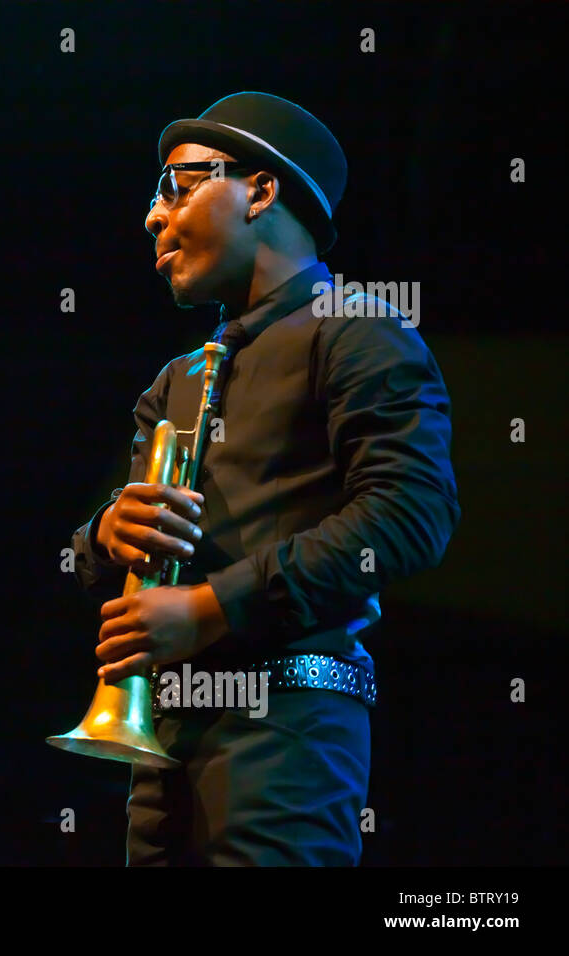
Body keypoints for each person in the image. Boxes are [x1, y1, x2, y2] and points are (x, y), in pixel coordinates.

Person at [68, 92, 460, 865]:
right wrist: (106, 536)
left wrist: (216, 605)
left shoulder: (359, 329)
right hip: (164, 732)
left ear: (261, 189)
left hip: (287, 726)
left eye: (177, 186)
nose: (153, 216)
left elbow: (413, 512)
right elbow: (95, 547)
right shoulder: (176, 379)